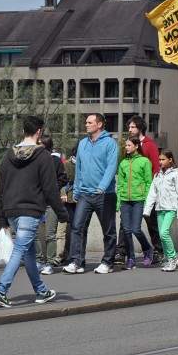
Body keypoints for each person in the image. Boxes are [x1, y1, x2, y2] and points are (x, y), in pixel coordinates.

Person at [0, 116, 68, 308]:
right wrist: (62, 213)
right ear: (39, 132)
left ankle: (40, 290)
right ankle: (1, 291)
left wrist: (2, 216)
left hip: (11, 210)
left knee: (29, 253)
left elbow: (3, 188)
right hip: (30, 210)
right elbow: (50, 189)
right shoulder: (43, 156)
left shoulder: (8, 155)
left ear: (24, 131)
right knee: (20, 250)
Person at [64, 113, 120, 275]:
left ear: (99, 124)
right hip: (85, 194)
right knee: (77, 227)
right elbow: (79, 169)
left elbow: (111, 166)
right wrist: (76, 191)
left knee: (108, 230)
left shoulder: (110, 143)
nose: (86, 125)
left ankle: (107, 262)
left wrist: (103, 185)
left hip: (105, 194)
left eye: (90, 122)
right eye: (86, 122)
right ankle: (77, 262)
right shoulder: (82, 143)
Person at [128, 115, 163, 264]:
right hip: (132, 191)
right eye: (129, 127)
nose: (129, 129)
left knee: (151, 222)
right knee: (126, 223)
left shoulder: (150, 145)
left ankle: (158, 250)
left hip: (148, 191)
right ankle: (121, 251)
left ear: (140, 128)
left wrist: (152, 190)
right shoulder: (129, 144)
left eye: (133, 127)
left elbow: (155, 167)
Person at [143, 149, 178, 272]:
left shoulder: (175, 175)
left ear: (170, 160)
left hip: (171, 208)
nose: (160, 162)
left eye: (163, 159)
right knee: (161, 236)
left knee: (164, 233)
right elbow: (152, 193)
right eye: (159, 160)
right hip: (160, 208)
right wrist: (147, 209)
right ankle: (169, 258)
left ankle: (172, 258)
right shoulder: (157, 175)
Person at [117, 135, 155, 268]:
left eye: (129, 145)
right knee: (126, 230)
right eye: (125, 145)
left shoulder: (145, 161)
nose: (126, 147)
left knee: (135, 229)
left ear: (136, 146)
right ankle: (131, 259)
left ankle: (147, 249)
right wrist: (118, 202)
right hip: (125, 200)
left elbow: (148, 183)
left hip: (139, 199)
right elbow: (120, 184)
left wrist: (147, 201)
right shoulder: (123, 163)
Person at [36, 135, 69, 275]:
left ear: (47, 146)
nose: (37, 145)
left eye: (40, 144)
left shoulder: (55, 161)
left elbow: (63, 178)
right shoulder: (33, 160)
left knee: (50, 234)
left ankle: (49, 263)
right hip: (36, 201)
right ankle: (38, 261)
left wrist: (53, 189)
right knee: (33, 233)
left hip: (50, 201)